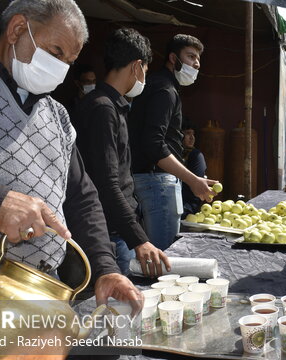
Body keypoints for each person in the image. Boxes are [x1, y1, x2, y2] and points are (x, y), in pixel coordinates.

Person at [0, 0, 142, 309]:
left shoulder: (57, 116)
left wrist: (105, 268)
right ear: (16, 30)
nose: (61, 68)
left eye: (69, 60)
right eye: (55, 53)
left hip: (40, 303)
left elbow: (81, 197)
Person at [72, 28, 170, 277]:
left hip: (114, 229)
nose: (144, 78)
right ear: (137, 66)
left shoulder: (112, 106)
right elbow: (106, 183)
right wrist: (138, 239)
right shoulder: (102, 109)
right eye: (145, 71)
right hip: (108, 233)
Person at [128, 34, 216, 250]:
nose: (196, 63)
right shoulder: (165, 90)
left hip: (150, 179)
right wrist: (193, 179)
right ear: (173, 58)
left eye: (198, 58)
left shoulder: (160, 85)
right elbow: (154, 143)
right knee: (165, 254)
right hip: (157, 182)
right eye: (190, 56)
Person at [180, 118, 207, 217]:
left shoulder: (195, 155)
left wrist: (187, 210)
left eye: (193, 134)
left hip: (186, 209)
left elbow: (196, 190)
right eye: (187, 133)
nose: (192, 138)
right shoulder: (172, 155)